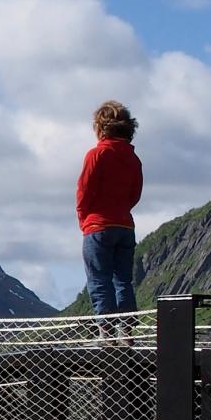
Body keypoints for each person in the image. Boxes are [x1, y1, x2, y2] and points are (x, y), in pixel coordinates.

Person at [77, 99, 144, 319]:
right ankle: (126, 330)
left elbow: (84, 192)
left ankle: (106, 333)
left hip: (98, 225)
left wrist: (84, 220)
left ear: (101, 128)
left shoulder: (96, 155)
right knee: (123, 280)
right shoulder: (133, 159)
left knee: (99, 279)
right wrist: (121, 209)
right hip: (125, 225)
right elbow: (135, 194)